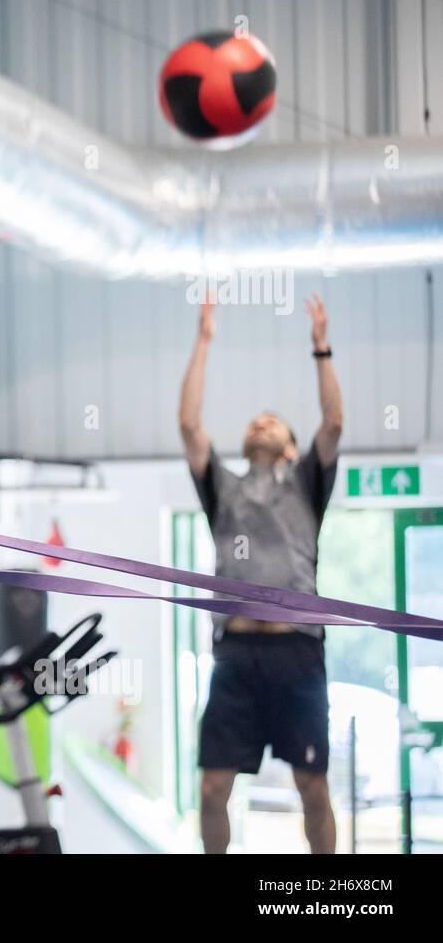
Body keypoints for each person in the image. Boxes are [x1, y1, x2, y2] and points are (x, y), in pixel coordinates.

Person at [178, 290, 342, 854]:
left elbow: (335, 422)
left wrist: (321, 348)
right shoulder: (224, 487)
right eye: (256, 419)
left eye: (273, 422)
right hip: (236, 656)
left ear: (294, 450)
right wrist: (203, 341)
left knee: (313, 788)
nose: (261, 422)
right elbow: (190, 424)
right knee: (211, 787)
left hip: (297, 654)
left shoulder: (306, 482)